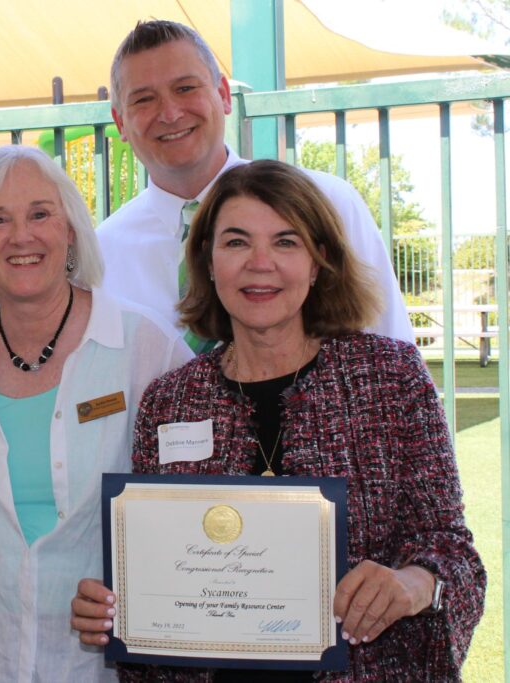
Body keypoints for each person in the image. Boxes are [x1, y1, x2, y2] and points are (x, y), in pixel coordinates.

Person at [70, 160, 485, 681]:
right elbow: (158, 579)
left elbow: (454, 553)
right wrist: (116, 609)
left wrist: (414, 584)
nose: (259, 263)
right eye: (237, 242)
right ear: (208, 261)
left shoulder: (391, 378)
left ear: (319, 262)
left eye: (286, 242)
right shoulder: (170, 401)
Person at [0, 145, 193, 682]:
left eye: (40, 214)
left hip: (101, 665)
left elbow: (196, 510)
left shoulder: (146, 348)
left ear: (70, 230)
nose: (21, 236)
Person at [97, 19, 413, 348]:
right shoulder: (102, 255)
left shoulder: (327, 203)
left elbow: (394, 349)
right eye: (144, 99)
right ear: (120, 121)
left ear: (223, 95)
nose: (170, 113)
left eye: (185, 88)